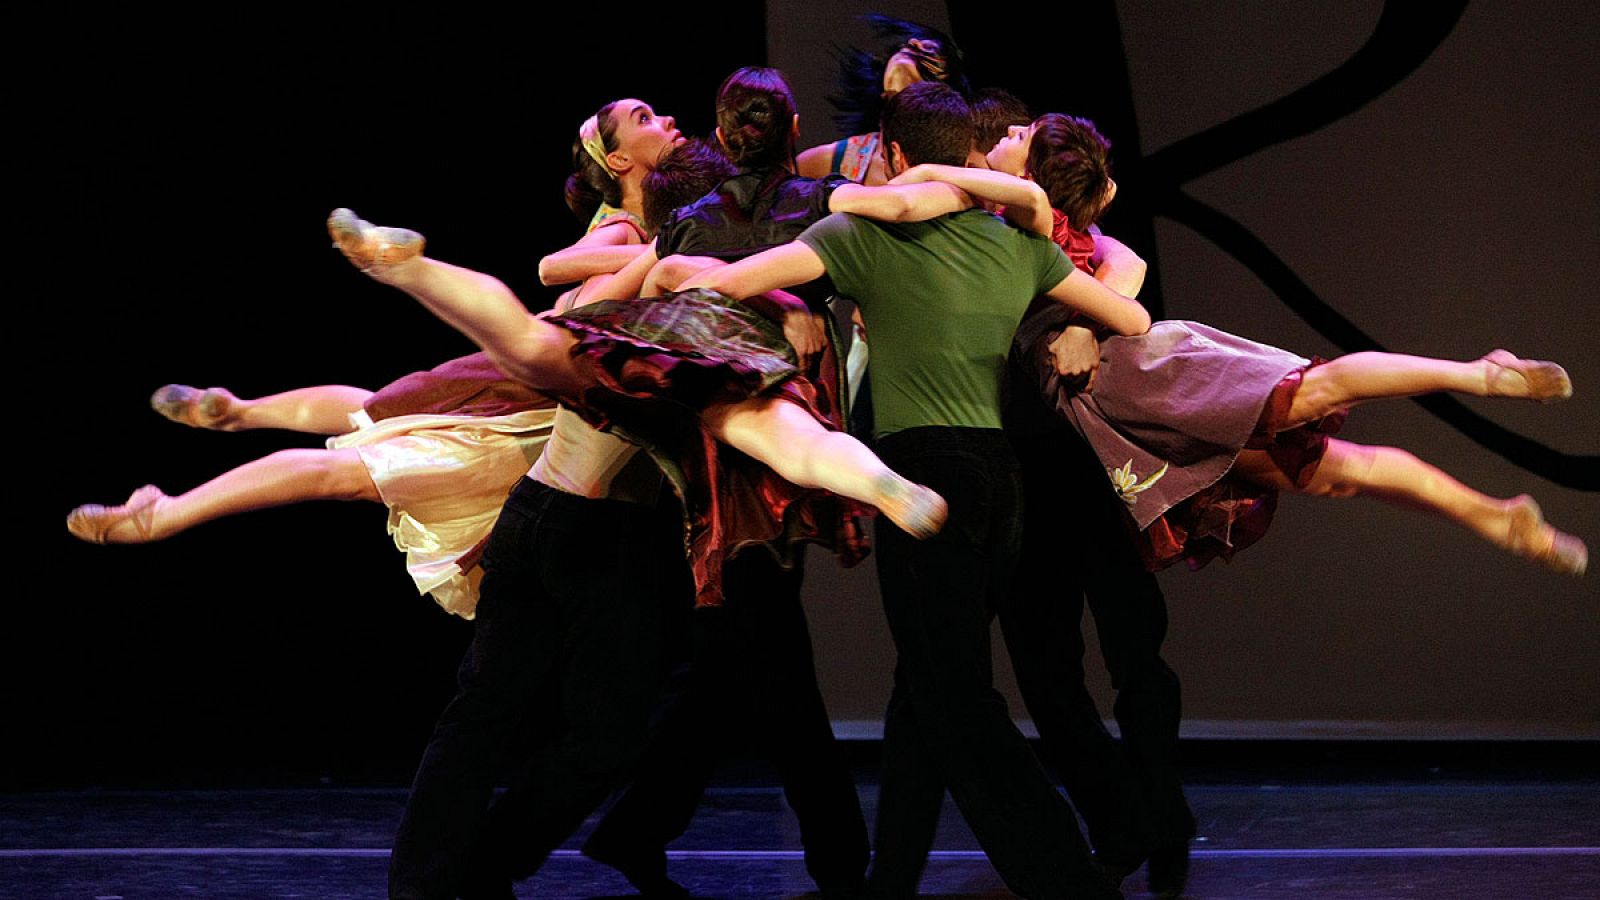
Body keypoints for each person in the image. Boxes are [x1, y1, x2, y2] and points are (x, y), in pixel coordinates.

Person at [683, 81, 1148, 900]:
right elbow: (1133, 318)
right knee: (925, 684)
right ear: (967, 153)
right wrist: (1083, 321)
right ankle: (889, 876)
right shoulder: (1019, 246)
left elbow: (729, 284)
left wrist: (725, 282)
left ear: (894, 156)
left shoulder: (858, 237)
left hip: (925, 471)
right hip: (1001, 481)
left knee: (958, 698)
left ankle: (1071, 880)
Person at [955, 112, 1587, 575]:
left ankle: (1477, 373)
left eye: (1021, 137)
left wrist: (908, 175)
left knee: (1318, 392)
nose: (1009, 135)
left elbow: (1084, 243)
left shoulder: (1029, 212)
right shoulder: (1041, 222)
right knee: (1339, 474)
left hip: (1142, 380)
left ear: (1035, 175)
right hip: (1129, 410)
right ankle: (1495, 517)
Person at [65, 356, 556, 618]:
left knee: (382, 416)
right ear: (616, 160)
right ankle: (166, 513)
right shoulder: (619, 223)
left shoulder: (622, 226)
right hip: (543, 426)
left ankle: (242, 412)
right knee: (362, 455)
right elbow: (565, 290)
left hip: (550, 415)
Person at [796, 14, 971, 186]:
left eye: (930, 50)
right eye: (907, 46)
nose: (913, 43)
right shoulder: (827, 162)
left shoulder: (967, 163)